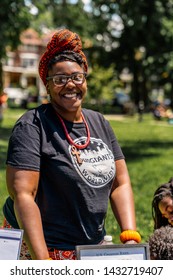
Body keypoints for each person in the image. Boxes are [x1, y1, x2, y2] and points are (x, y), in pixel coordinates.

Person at [2, 29, 140, 260]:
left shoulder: (99, 122)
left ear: (84, 80)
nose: (70, 84)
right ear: (47, 85)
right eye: (59, 79)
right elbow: (23, 194)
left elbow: (120, 182)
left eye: (77, 77)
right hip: (43, 245)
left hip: (90, 246)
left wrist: (130, 236)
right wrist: (43, 261)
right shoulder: (32, 125)